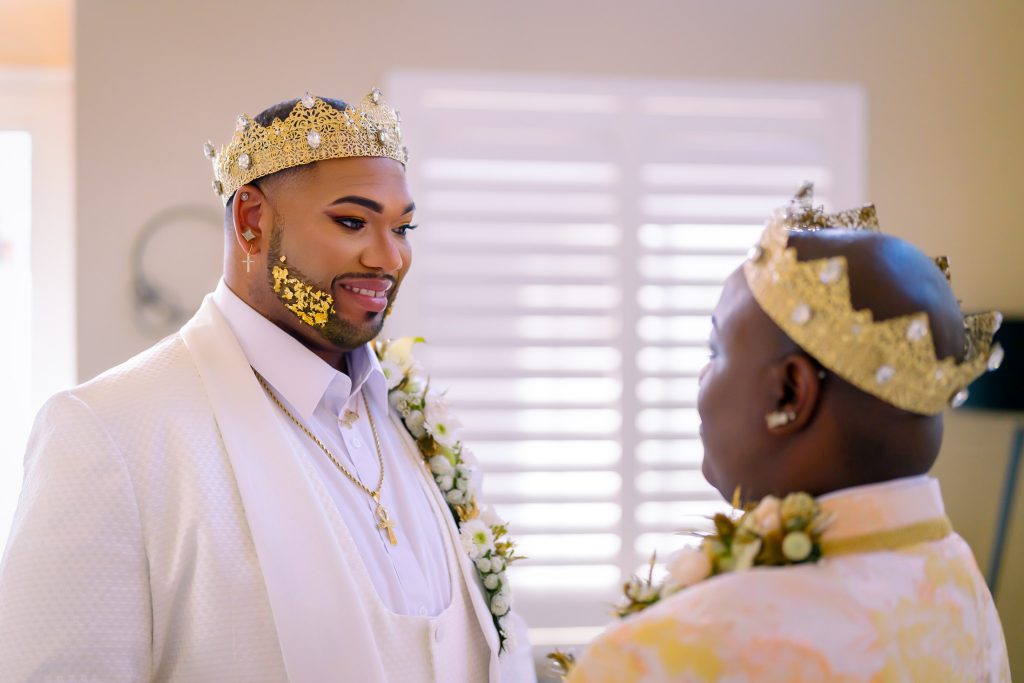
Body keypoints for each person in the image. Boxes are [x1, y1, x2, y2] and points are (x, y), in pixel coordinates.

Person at [0, 90, 535, 682]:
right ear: (252, 220)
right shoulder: (108, 430)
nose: (389, 258)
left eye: (403, 228)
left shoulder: (409, 417)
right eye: (353, 221)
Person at [566, 186, 1010, 682]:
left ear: (789, 393)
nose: (700, 378)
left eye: (715, 352)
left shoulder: (666, 653)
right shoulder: (957, 583)